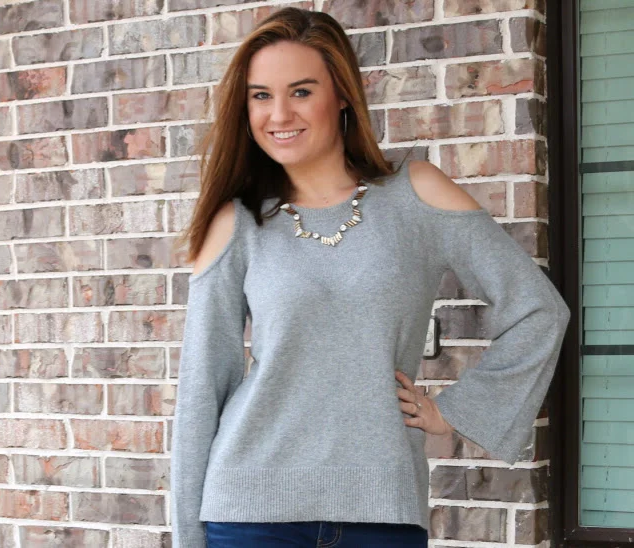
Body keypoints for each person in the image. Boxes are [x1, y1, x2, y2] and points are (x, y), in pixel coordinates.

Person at [171, 7, 570, 548]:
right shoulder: (238, 222)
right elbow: (201, 389)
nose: (279, 113)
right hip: (250, 512)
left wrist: (454, 411)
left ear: (342, 95)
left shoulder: (416, 194)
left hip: (383, 513)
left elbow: (539, 310)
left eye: (301, 91)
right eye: (260, 95)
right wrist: (188, 537)